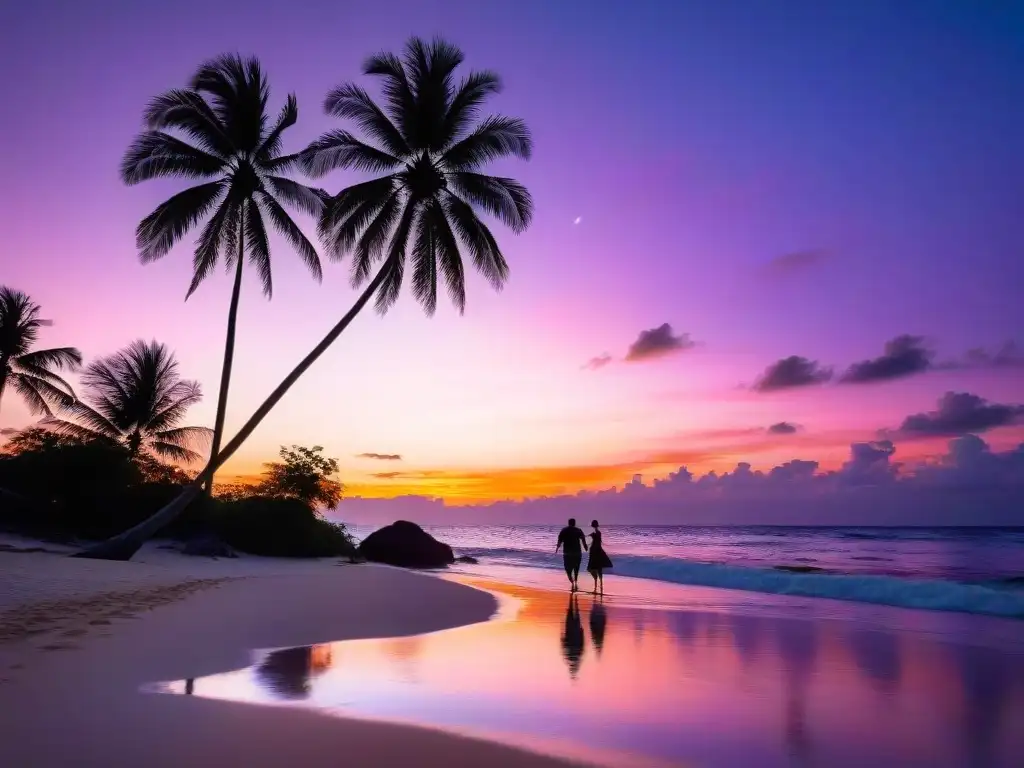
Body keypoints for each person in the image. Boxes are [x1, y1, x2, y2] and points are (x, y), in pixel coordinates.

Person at [555, 517, 588, 591]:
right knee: (576, 567)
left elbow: (559, 540)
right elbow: (583, 539)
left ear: (568, 523)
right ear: (574, 523)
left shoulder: (564, 530)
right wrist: (585, 547)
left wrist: (557, 548)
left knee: (567, 568)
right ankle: (575, 581)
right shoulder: (578, 530)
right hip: (577, 552)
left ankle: (571, 580)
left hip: (567, 553)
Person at [586, 519, 613, 594]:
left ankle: (597, 584)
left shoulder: (597, 533)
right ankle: (599, 584)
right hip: (597, 551)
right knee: (597, 568)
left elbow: (597, 542)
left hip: (596, 551)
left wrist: (592, 536)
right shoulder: (596, 533)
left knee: (592, 568)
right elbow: (597, 542)